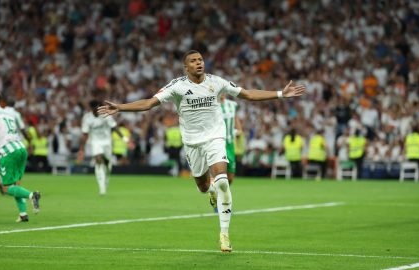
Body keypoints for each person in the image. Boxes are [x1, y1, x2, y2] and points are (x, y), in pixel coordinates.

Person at [98, 50, 305, 252]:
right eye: (194, 60)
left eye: (201, 59)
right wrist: (121, 107)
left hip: (215, 138)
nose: (199, 63)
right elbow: (149, 103)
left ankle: (224, 234)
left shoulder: (216, 82)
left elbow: (248, 94)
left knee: (223, 180)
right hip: (192, 143)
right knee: (203, 186)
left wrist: (280, 94)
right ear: (185, 66)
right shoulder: (177, 86)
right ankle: (211, 191)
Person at [0, 91, 41, 222]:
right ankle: (23, 214)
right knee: (15, 184)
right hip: (20, 149)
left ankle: (32, 195)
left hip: (8, 152)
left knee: (6, 187)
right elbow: (2, 130)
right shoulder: (8, 114)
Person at [78, 100, 126, 195]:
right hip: (95, 142)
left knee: (107, 164)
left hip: (107, 142)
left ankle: (106, 178)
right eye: (95, 108)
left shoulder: (106, 115)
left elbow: (114, 127)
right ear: (91, 109)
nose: (97, 110)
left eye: (98, 107)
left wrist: (125, 139)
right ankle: (102, 188)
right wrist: (81, 149)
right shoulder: (87, 118)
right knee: (98, 160)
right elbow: (84, 134)